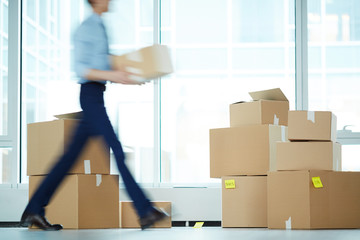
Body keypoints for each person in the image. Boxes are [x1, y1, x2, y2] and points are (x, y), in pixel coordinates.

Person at [20, 0, 168, 231]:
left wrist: (131, 75)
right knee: (117, 150)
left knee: (68, 159)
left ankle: (34, 209)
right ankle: (144, 210)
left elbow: (104, 62)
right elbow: (81, 68)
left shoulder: (98, 26)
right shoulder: (86, 28)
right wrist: (114, 74)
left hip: (96, 95)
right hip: (90, 95)